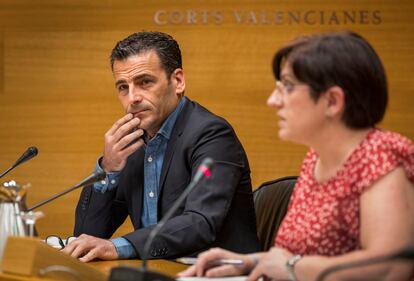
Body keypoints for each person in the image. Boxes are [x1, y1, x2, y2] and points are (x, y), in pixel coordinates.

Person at [179, 31, 414, 281]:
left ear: (333, 101)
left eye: (287, 87)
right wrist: (247, 262)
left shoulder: (380, 156)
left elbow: (391, 268)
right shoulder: (316, 157)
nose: (273, 100)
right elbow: (296, 255)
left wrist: (291, 267)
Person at [62, 31, 260, 262]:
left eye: (145, 82)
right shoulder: (132, 144)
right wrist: (109, 168)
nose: (132, 98)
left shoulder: (212, 134)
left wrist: (118, 247)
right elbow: (87, 236)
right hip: (158, 272)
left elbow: (200, 223)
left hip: (218, 273)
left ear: (177, 81)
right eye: (123, 87)